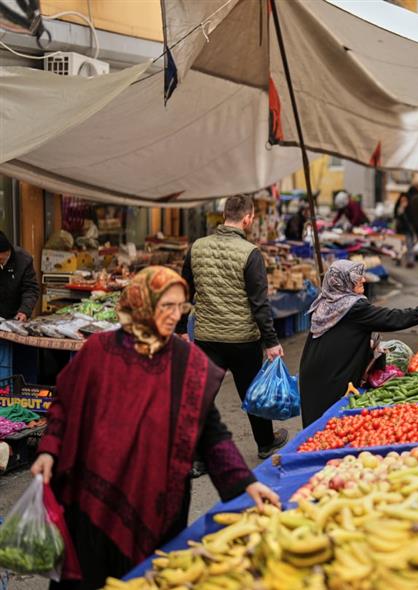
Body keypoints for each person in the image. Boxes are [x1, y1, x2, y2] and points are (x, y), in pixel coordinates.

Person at [30, 267, 280, 589]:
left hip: (157, 500)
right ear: (141, 302)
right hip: (91, 496)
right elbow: (65, 402)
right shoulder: (98, 352)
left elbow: (211, 433)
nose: (175, 316)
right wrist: (49, 450)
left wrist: (245, 482)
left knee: (148, 579)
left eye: (181, 307)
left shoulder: (187, 361)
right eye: (167, 306)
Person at [181, 195, 288, 460]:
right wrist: (271, 342)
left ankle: (196, 459)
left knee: (202, 398)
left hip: (206, 337)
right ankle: (265, 444)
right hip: (243, 340)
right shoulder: (250, 253)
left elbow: (182, 292)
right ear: (248, 218)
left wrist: (181, 330)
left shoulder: (197, 247)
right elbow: (259, 304)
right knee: (253, 391)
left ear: (224, 214)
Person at [299, 260, 418, 426]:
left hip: (313, 370)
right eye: (357, 277)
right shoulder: (353, 307)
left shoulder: (326, 301)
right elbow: (390, 318)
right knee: (327, 424)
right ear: (342, 281)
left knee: (316, 422)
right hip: (332, 375)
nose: (363, 280)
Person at [0, 231, 39, 321]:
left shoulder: (23, 260)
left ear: (7, 251)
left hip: (14, 316)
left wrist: (24, 311)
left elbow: (30, 289)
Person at [394, 193, 417, 269]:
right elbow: (396, 217)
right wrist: (401, 210)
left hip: (407, 230)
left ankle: (410, 261)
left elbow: (411, 219)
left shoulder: (410, 208)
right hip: (399, 230)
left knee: (409, 246)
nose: (403, 202)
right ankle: (398, 259)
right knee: (399, 246)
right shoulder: (398, 208)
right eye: (402, 200)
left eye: (405, 200)